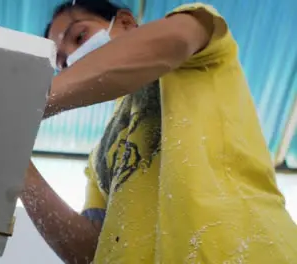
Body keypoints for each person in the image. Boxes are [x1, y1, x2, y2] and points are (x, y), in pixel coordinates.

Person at [20, 0, 297, 263]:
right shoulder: (98, 161)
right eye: (62, 64)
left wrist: (26, 103)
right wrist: (15, 163)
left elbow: (175, 38)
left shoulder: (198, 43)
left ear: (126, 22)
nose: (73, 62)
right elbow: (90, 252)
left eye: (79, 37)